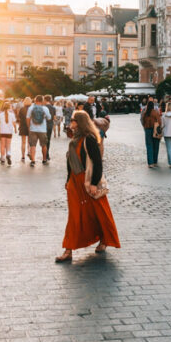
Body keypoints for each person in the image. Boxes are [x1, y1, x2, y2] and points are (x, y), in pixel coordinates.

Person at [56, 111, 120, 263]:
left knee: (99, 212)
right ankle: (68, 250)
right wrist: (68, 179)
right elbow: (70, 161)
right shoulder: (74, 139)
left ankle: (104, 240)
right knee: (74, 215)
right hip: (74, 182)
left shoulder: (89, 139)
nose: (70, 122)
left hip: (87, 180)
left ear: (79, 122)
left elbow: (98, 163)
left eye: (72, 120)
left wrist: (93, 183)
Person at [27, 95, 51, 167]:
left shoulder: (31, 108)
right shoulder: (45, 108)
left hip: (33, 129)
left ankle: (33, 160)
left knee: (33, 145)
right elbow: (49, 118)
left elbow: (27, 118)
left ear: (35, 100)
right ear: (42, 100)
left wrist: (29, 127)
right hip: (42, 130)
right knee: (44, 145)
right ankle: (44, 159)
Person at [141, 100, 162, 167]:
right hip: (155, 129)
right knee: (156, 146)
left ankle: (150, 163)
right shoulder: (156, 112)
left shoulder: (145, 113)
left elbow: (142, 121)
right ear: (153, 106)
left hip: (147, 130)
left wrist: (145, 127)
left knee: (149, 146)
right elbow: (159, 122)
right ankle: (155, 161)